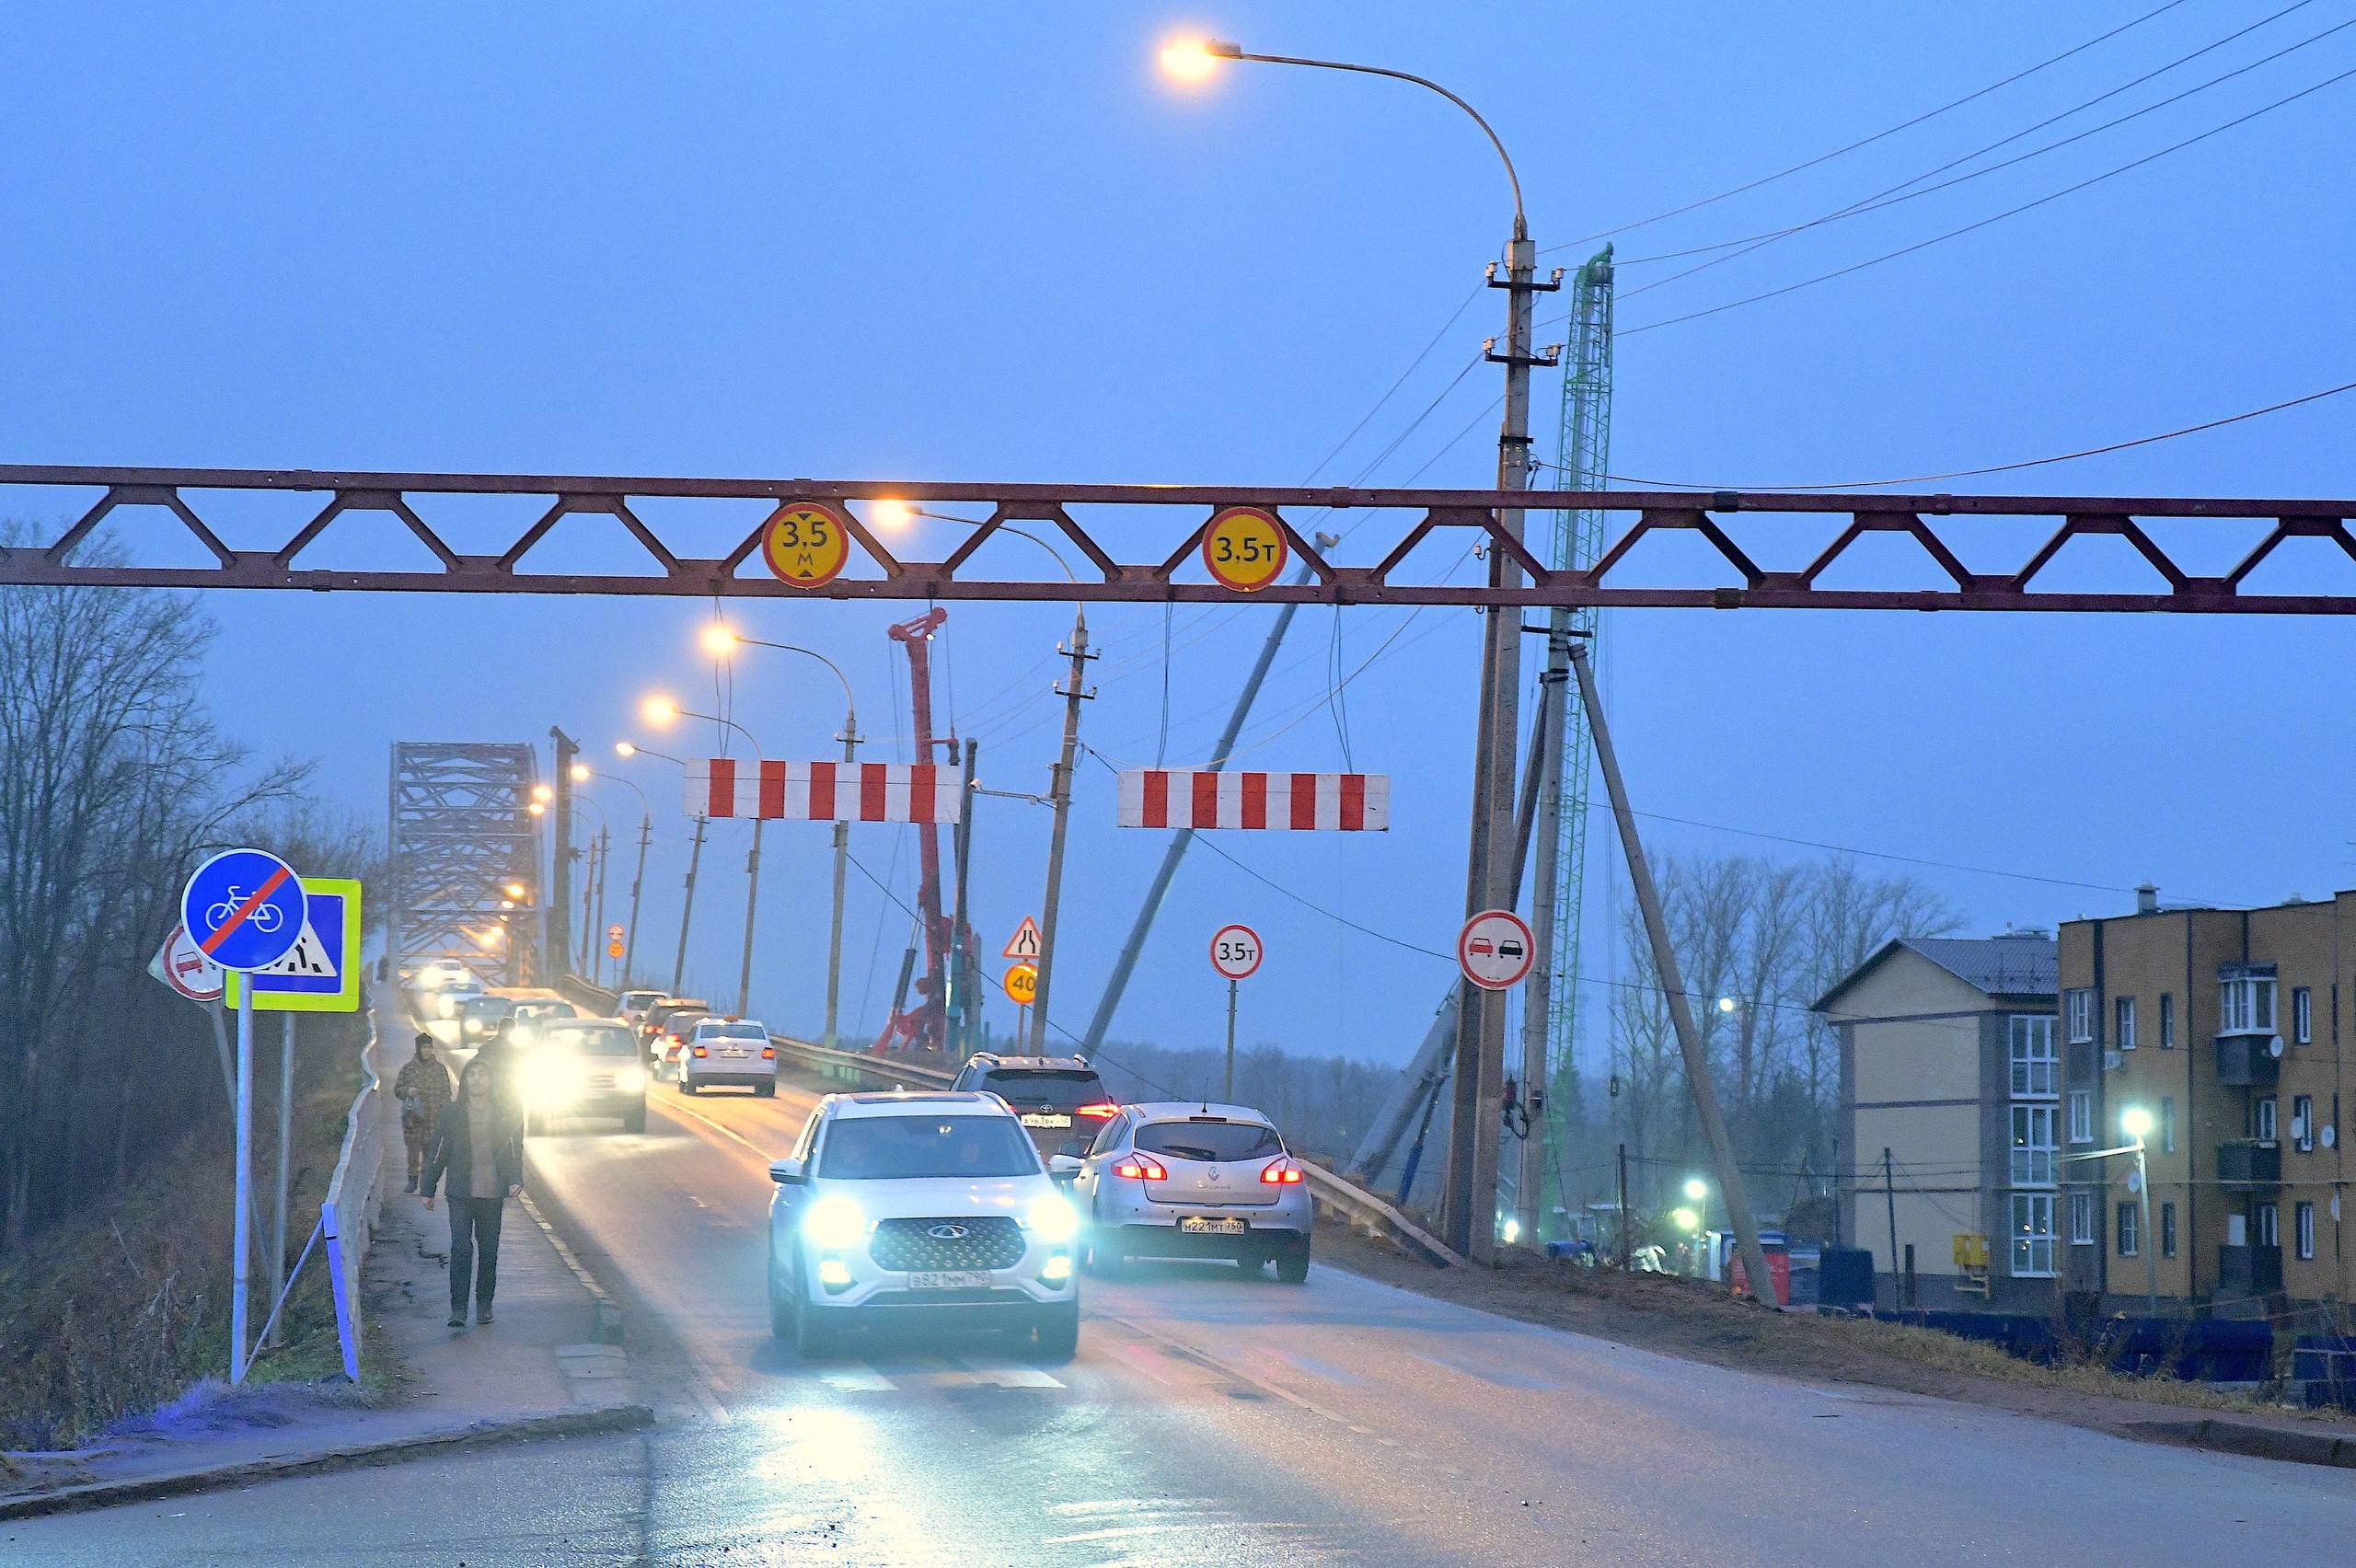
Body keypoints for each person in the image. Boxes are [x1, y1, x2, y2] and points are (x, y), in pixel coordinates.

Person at [421, 1059, 523, 1328]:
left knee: (489, 1252)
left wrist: (515, 1179)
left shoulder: (505, 1113)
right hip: (460, 1194)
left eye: (482, 1074)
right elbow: (438, 1151)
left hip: (492, 1194)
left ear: (490, 1081)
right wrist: (428, 1189)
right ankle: (458, 1309)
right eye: (472, 1075)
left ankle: (484, 1304)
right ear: (465, 1081)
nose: (477, 1080)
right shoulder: (451, 1114)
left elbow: (515, 1152)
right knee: (461, 1249)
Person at [393, 1032, 452, 1194]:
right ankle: (412, 1181)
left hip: (434, 1119)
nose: (426, 1050)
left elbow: (447, 1092)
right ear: (418, 1049)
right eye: (423, 1047)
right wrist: (408, 1091)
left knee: (429, 1155)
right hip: (413, 1119)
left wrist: (443, 1109)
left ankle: (425, 1184)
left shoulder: (440, 1070)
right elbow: (397, 1090)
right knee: (413, 1154)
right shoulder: (408, 1069)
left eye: (429, 1047)